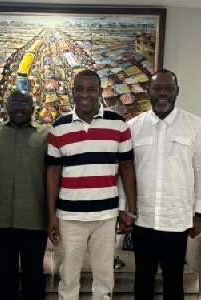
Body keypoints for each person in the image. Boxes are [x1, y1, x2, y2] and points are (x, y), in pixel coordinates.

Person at [119, 69, 201, 300]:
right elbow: (124, 172)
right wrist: (124, 209)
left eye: (168, 88)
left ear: (177, 91)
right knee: (143, 280)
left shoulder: (195, 126)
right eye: (157, 88)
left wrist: (199, 213)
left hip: (177, 220)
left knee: (173, 280)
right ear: (148, 92)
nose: (163, 93)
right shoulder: (133, 127)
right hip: (143, 219)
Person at [46, 69, 137, 300]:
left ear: (100, 93)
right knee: (68, 278)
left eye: (91, 89)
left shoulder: (118, 124)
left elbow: (127, 168)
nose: (84, 94)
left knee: (105, 278)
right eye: (79, 89)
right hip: (69, 216)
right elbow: (53, 173)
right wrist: (51, 216)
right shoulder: (59, 127)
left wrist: (130, 211)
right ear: (73, 91)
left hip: (106, 215)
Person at [0, 90, 49, 300]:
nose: (19, 107)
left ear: (33, 107)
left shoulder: (46, 135)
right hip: (1, 220)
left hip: (35, 220)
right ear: (7, 105)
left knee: (34, 278)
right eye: (14, 102)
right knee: (5, 278)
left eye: (25, 103)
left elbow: (53, 177)